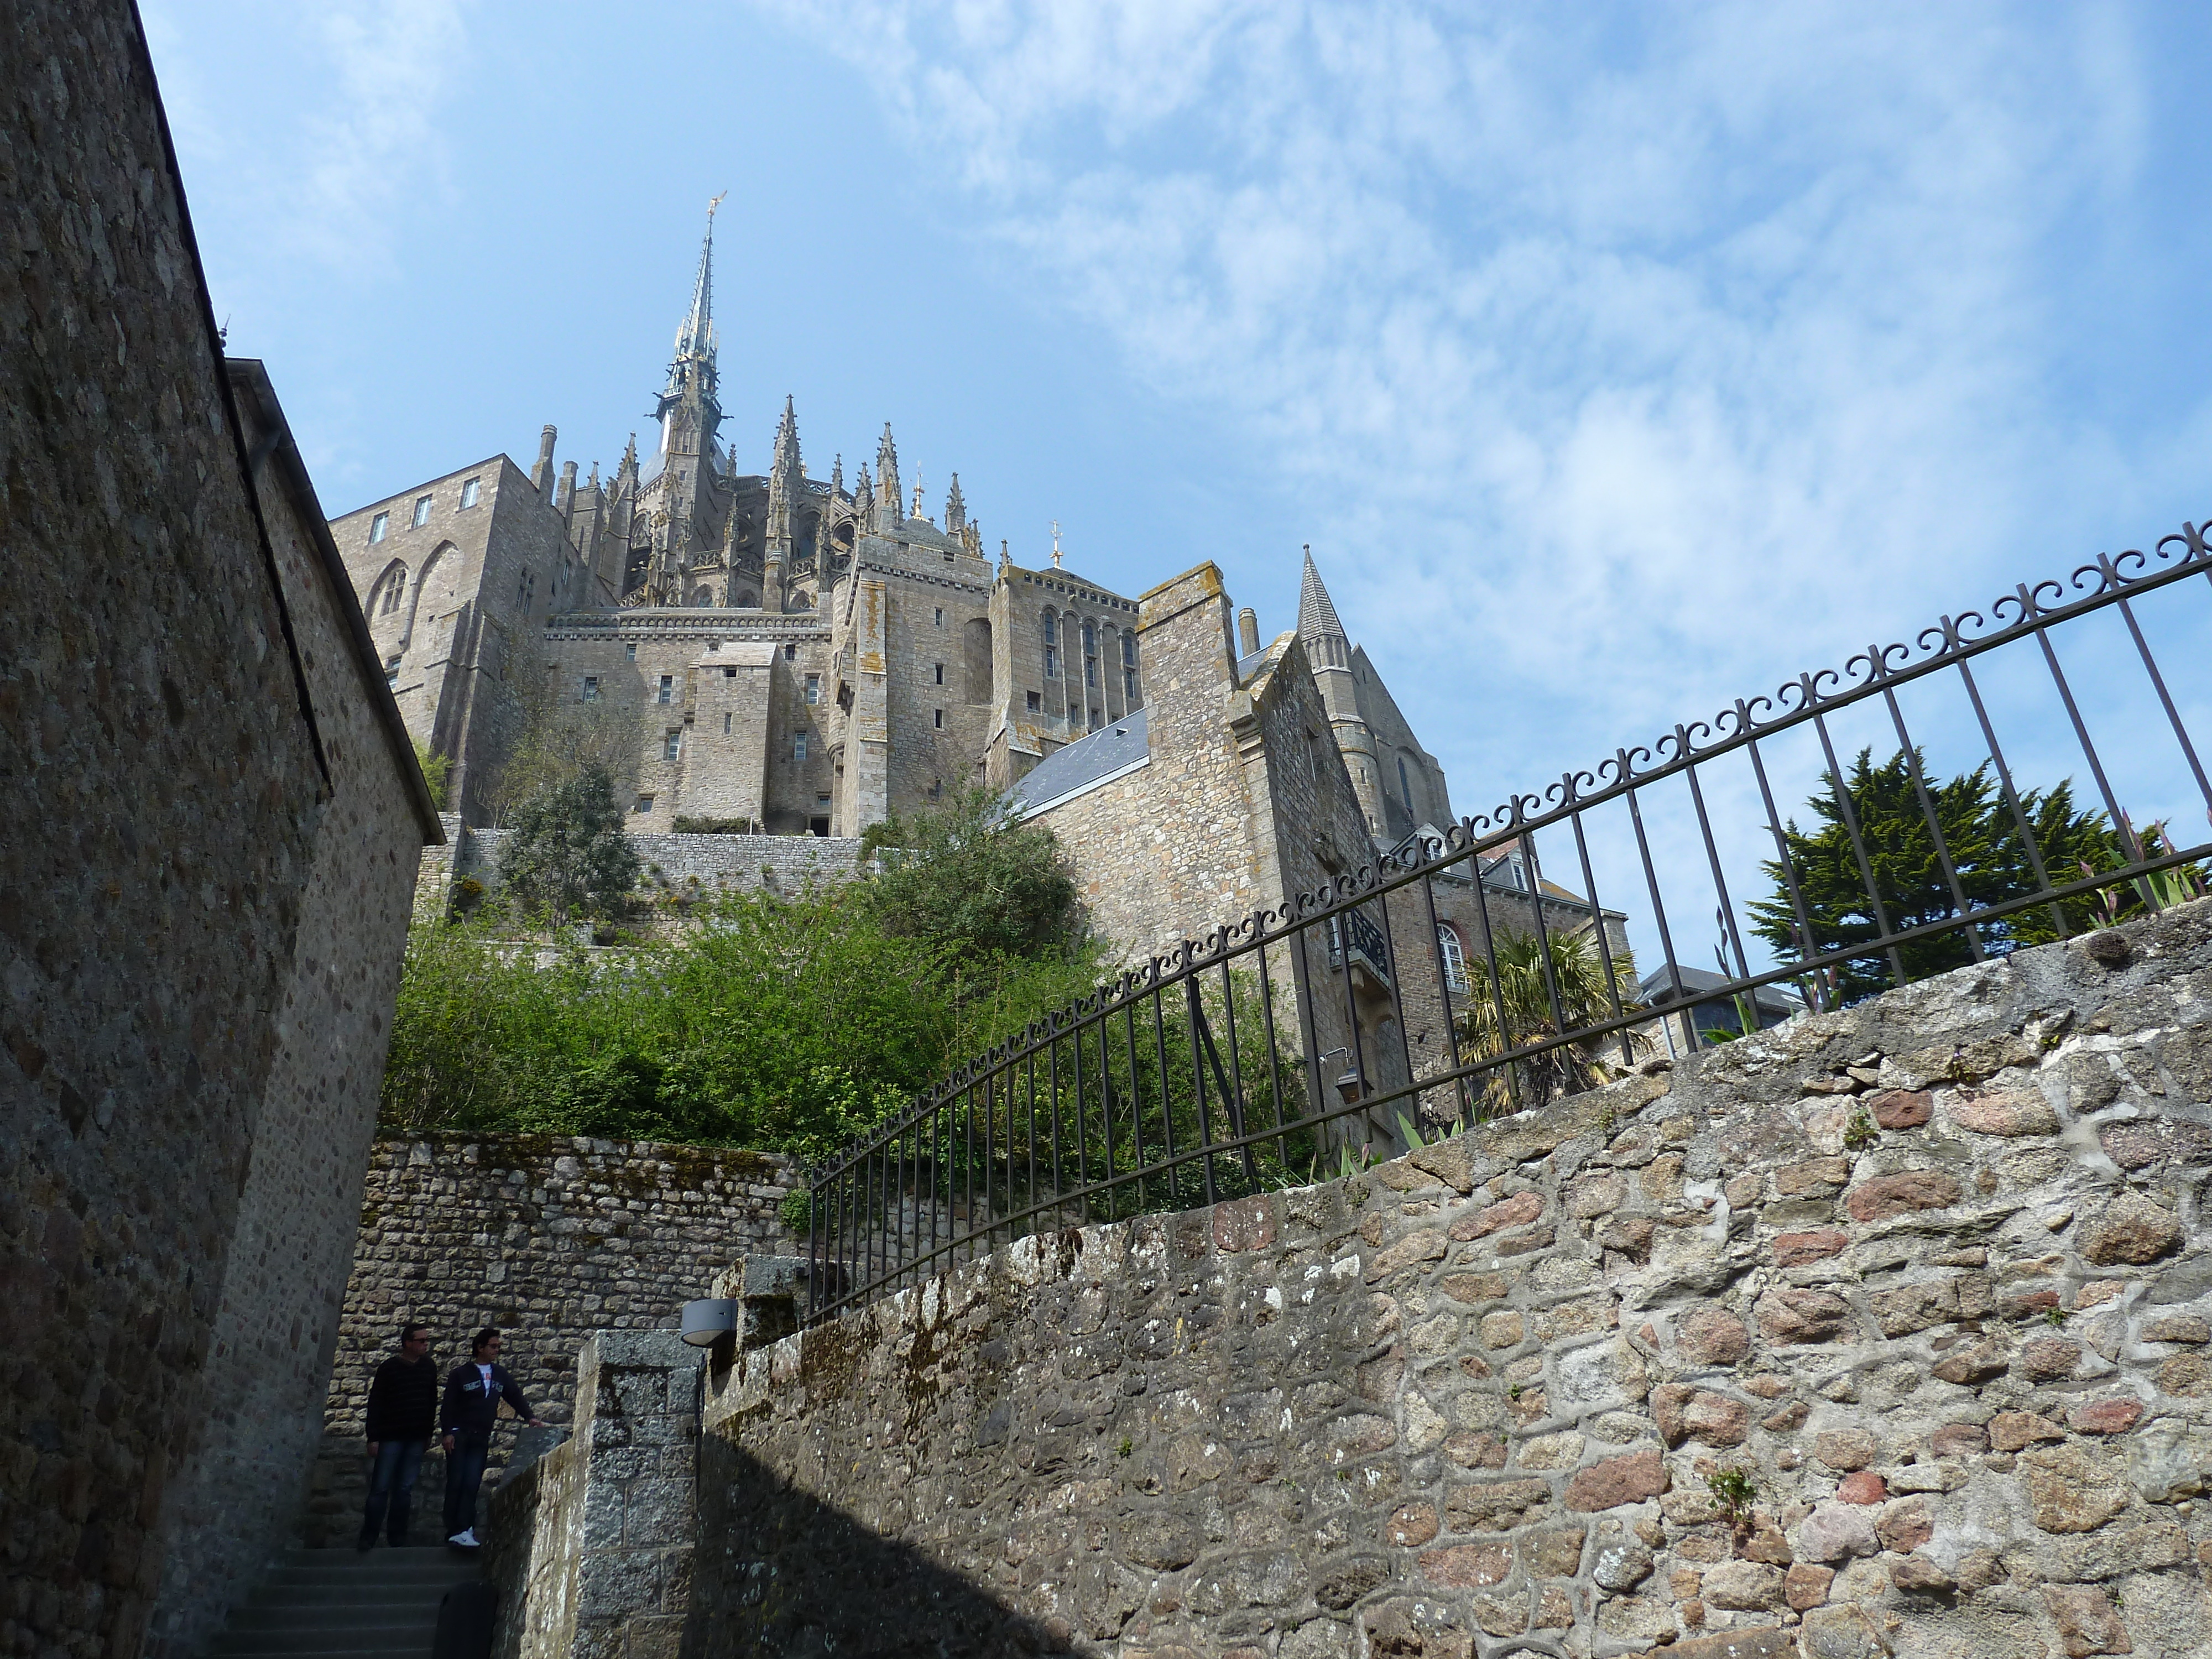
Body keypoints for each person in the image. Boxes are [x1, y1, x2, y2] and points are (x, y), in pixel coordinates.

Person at [440, 1327, 542, 1548]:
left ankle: (466, 1529)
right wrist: (447, 1432)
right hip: (460, 1434)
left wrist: (530, 1418)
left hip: (481, 1436)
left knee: (472, 1482)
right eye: (493, 1346)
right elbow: (448, 1405)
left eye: (498, 1347)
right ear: (480, 1347)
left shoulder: (500, 1375)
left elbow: (515, 1396)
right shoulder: (461, 1374)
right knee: (457, 1482)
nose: (497, 1350)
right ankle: (454, 1529)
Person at [359, 1323, 437, 1550]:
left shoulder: (429, 1368)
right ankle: (369, 1537)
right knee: (380, 1488)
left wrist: (428, 1433)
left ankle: (397, 1537)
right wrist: (373, 1437)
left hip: (415, 1438)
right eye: (421, 1341)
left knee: (404, 1490)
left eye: (426, 1341)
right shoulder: (389, 1369)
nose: (425, 1345)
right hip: (390, 1437)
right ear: (408, 1343)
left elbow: (431, 1402)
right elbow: (376, 1403)